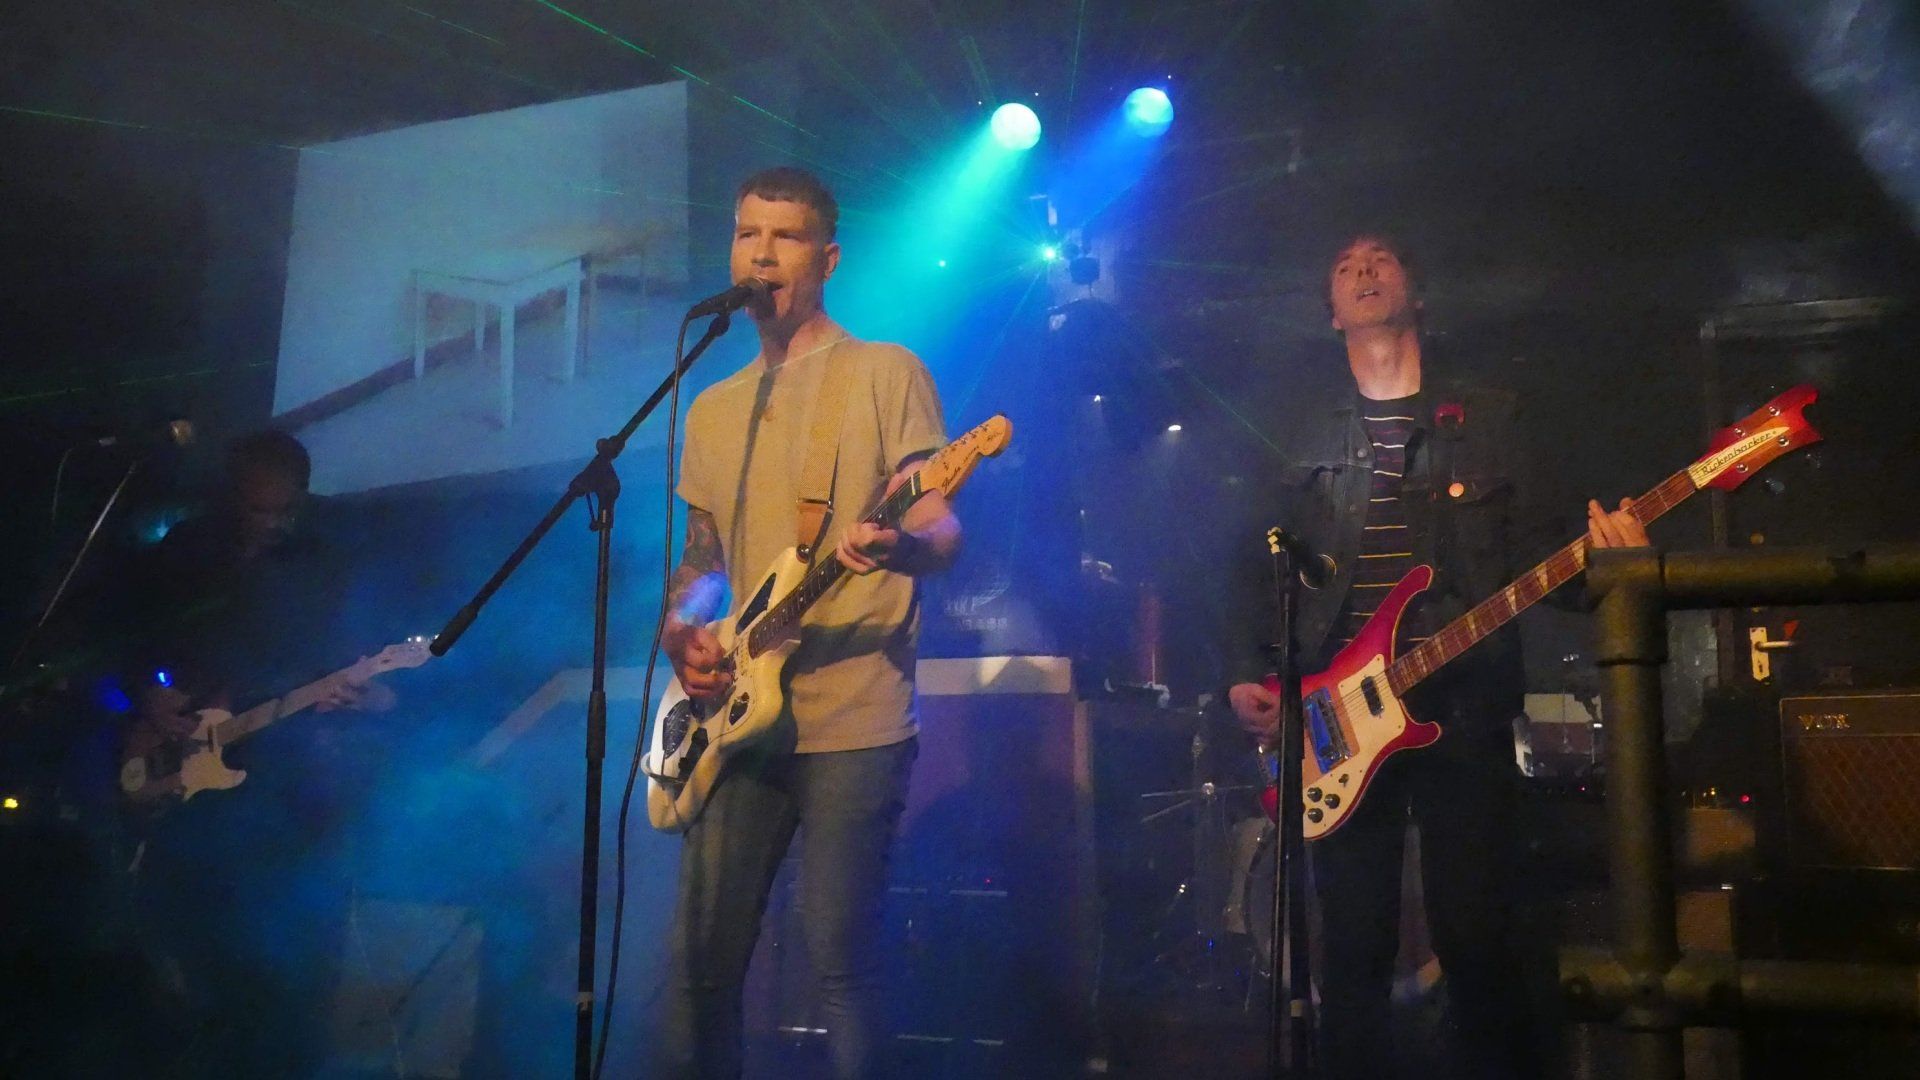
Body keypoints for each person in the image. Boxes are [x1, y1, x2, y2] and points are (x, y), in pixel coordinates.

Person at [1225, 234, 1648, 1078]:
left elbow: (1538, 555)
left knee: (1480, 938)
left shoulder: (1488, 418)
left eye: (1380, 259)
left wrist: (1613, 566)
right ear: (1330, 311)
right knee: (1353, 949)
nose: (1363, 271)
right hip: (1339, 720)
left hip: (1463, 702)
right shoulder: (1298, 433)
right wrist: (1246, 670)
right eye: (1344, 266)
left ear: (1417, 291)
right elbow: (1251, 563)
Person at [658, 166, 962, 1079]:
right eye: (748, 233)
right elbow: (704, 563)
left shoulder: (884, 372)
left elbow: (940, 527)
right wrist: (683, 632)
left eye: (785, 237)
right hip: (736, 719)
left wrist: (902, 548)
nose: (762, 253)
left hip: (854, 717)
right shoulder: (712, 408)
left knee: (841, 967)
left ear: (826, 259)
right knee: (700, 967)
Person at [120, 429, 395, 1076]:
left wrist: (370, 698)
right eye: (255, 507)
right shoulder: (187, 550)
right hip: (191, 784)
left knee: (288, 963)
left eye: (283, 509)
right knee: (189, 945)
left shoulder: (329, 562)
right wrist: (147, 694)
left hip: (287, 784)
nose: (270, 523)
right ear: (231, 493)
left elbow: (365, 671)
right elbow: (129, 637)